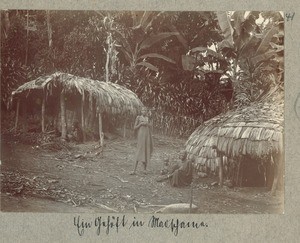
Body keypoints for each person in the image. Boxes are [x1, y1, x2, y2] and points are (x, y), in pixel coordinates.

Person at [130, 107, 153, 175]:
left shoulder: (148, 118)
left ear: (147, 111)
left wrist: (147, 124)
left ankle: (144, 169)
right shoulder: (138, 117)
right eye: (143, 110)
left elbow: (151, 126)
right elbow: (134, 127)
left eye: (145, 110)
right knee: (139, 151)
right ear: (141, 111)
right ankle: (134, 170)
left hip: (147, 136)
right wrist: (141, 124)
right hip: (141, 136)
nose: (144, 111)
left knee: (146, 150)